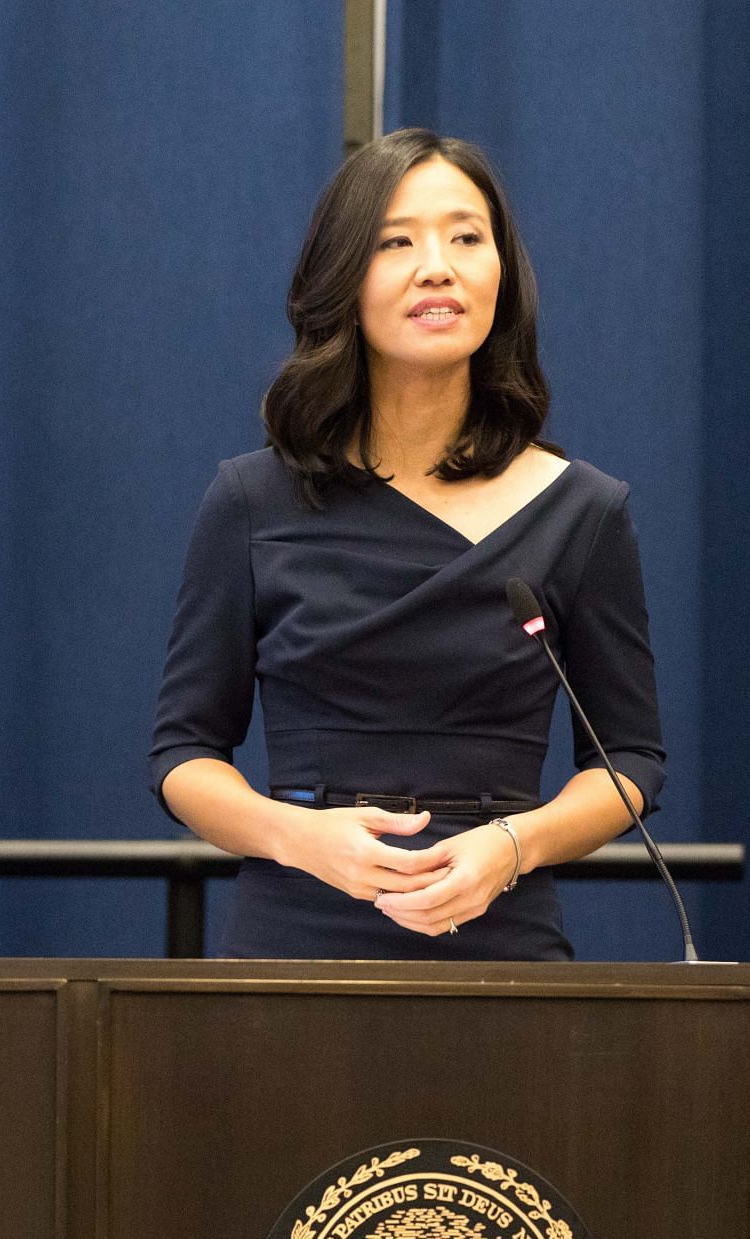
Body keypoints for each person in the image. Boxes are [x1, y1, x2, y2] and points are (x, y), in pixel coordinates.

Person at [149, 128, 664, 960]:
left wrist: (513, 846)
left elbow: (631, 760)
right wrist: (298, 837)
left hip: (503, 945)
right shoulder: (252, 499)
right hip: (295, 942)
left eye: (466, 237)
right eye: (397, 241)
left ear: (503, 273)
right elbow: (182, 754)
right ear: (342, 279)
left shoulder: (582, 511)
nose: (439, 265)